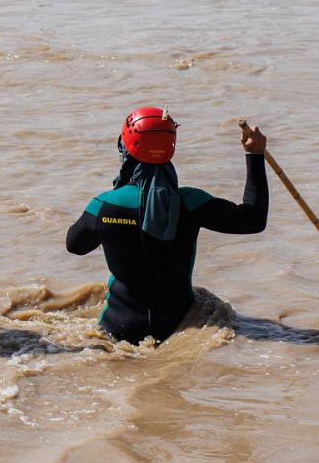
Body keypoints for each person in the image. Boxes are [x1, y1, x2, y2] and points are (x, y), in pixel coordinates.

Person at [65, 107, 268, 344]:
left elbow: (75, 246)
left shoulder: (103, 205)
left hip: (116, 327)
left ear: (125, 147)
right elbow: (252, 220)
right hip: (180, 326)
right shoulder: (192, 203)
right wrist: (255, 156)